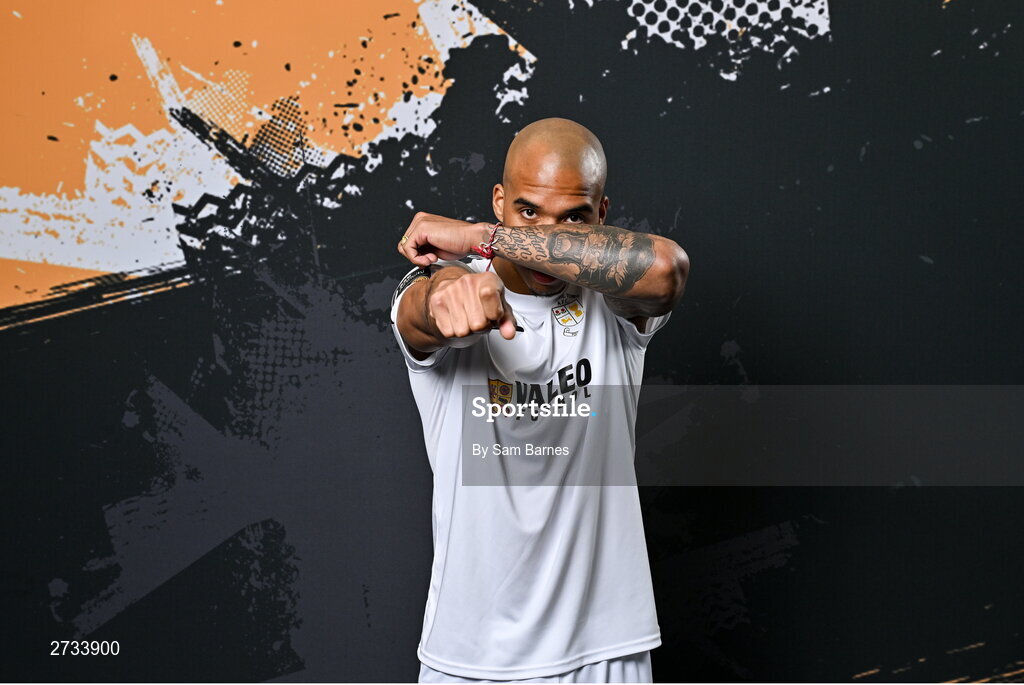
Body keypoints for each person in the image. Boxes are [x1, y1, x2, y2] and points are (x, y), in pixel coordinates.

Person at [390, 117, 689, 683]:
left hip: (606, 649)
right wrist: (447, 294)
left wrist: (491, 236)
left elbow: (667, 270)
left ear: (601, 215)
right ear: (499, 199)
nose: (547, 235)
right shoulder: (450, 283)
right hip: (472, 657)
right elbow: (421, 309)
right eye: (527, 210)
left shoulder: (616, 304)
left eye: (574, 217)